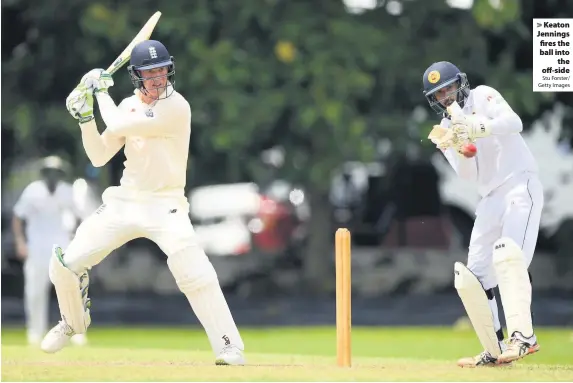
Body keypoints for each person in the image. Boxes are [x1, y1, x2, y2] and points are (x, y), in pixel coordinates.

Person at [41, 40, 245, 366]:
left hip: (166, 204)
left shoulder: (177, 107)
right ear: (136, 75)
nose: (157, 78)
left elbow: (120, 124)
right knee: (66, 263)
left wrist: (100, 93)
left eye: (162, 70)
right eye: (149, 72)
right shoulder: (126, 105)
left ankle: (229, 346)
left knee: (193, 270)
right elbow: (98, 154)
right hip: (124, 201)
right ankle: (72, 322)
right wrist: (85, 119)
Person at [422, 61, 543, 367]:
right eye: (439, 94)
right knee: (474, 275)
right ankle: (494, 348)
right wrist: (461, 146)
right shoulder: (445, 130)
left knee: (508, 257)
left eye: (448, 88)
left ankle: (524, 338)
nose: (446, 97)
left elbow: (514, 122)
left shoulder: (484, 96)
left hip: (519, 184)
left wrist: (478, 127)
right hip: (489, 197)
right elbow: (468, 175)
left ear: (460, 84)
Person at [12, 155, 87, 347]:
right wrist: (21, 242)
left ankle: (76, 331)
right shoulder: (33, 191)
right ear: (44, 173)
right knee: (35, 292)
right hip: (37, 248)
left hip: (61, 248)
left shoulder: (67, 191)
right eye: (49, 172)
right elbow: (18, 217)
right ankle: (35, 331)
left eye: (56, 172)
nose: (52, 176)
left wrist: (77, 240)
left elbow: (80, 216)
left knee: (70, 289)